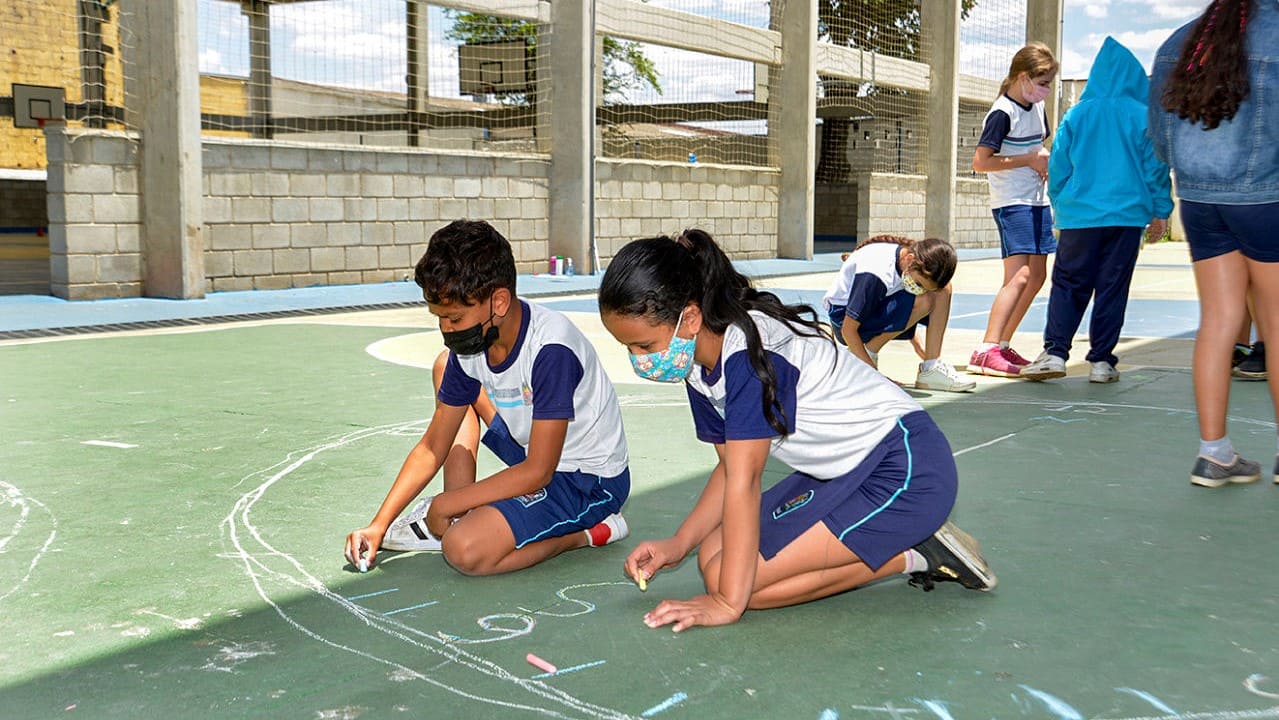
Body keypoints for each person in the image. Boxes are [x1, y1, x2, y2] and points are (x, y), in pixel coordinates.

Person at [597, 229, 995, 633]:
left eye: (644, 346)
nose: (639, 359)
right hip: (846, 471)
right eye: (628, 348)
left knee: (732, 583)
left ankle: (916, 553)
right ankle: (904, 542)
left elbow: (745, 483)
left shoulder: (748, 355)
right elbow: (730, 468)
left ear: (690, 318)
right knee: (711, 554)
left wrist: (727, 602)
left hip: (907, 469)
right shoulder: (698, 362)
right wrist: (679, 544)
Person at [345, 220, 631, 574]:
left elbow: (539, 472)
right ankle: (460, 513)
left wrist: (443, 504)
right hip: (532, 452)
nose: (446, 329)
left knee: (463, 549)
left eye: (454, 318)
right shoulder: (474, 345)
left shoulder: (551, 349)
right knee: (446, 366)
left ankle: (590, 533)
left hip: (584, 480)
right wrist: (379, 524)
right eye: (439, 318)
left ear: (499, 301)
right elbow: (433, 446)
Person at [1148, 0, 1279, 487]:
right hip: (1266, 199)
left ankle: (1214, 454)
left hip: (1200, 202)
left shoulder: (1181, 40)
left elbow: (1161, 139)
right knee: (1275, 323)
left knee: (1219, 321)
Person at [1020, 37, 1173, 384]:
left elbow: (1059, 166)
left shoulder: (1077, 114)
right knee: (1112, 287)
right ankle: (1102, 362)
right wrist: (1160, 211)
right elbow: (1156, 168)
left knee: (1068, 283)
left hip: (1080, 217)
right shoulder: (1142, 116)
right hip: (1127, 217)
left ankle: (1055, 352)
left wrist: (1062, 204)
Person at [967, 42, 1060, 378]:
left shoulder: (1037, 106)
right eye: (1043, 83)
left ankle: (1003, 345)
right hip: (1012, 201)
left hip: (1037, 200)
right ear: (1023, 78)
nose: (1046, 90)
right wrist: (1029, 160)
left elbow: (1037, 147)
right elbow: (980, 162)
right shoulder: (1002, 113)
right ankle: (986, 349)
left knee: (1037, 276)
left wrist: (1042, 163)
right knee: (1019, 276)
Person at [823, 235, 974, 392]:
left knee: (942, 291)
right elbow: (848, 330)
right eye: (919, 284)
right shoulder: (875, 275)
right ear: (909, 260)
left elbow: (903, 310)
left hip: (871, 312)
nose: (920, 290)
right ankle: (864, 357)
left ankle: (931, 369)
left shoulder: (907, 260)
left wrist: (923, 350)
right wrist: (875, 376)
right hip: (844, 320)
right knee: (926, 300)